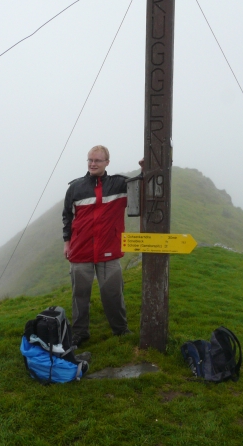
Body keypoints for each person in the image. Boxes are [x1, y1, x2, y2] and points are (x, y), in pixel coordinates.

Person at [62, 145, 136, 347]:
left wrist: (147, 171)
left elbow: (144, 189)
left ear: (107, 163)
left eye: (97, 160)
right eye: (90, 160)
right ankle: (79, 333)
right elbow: (67, 217)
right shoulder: (75, 188)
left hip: (109, 250)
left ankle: (120, 330)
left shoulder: (120, 184)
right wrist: (67, 243)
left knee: (113, 294)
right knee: (80, 297)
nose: (93, 164)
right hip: (80, 250)